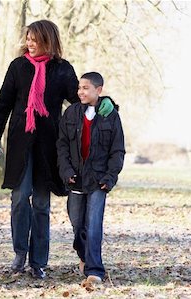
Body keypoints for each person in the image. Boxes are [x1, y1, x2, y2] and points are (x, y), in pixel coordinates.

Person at [0, 20, 114, 279]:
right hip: (21, 142)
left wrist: (106, 102)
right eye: (28, 38)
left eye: (35, 39)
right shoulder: (18, 67)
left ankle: (38, 261)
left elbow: (80, 98)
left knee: (42, 203)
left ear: (48, 40)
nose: (29, 43)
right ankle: (20, 253)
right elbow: (3, 105)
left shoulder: (62, 70)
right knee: (20, 198)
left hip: (48, 144)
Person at [57, 72, 125, 286]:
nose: (80, 92)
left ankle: (95, 270)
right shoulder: (71, 113)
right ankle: (85, 256)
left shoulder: (110, 115)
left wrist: (110, 177)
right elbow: (62, 145)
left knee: (94, 225)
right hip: (75, 179)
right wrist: (66, 171)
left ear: (99, 90)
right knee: (78, 226)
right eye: (79, 88)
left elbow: (118, 150)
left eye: (86, 88)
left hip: (98, 180)